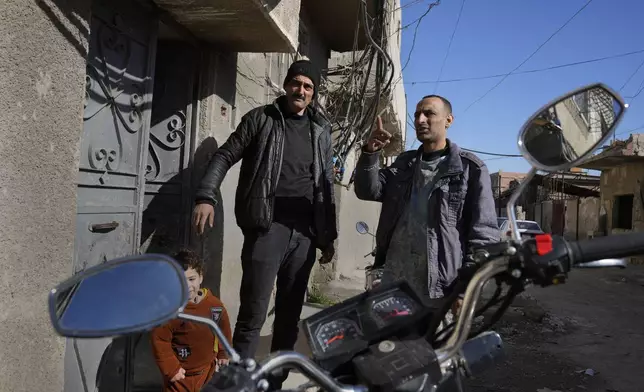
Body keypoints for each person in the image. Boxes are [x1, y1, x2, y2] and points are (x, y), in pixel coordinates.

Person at [192, 59, 338, 388]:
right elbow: (225, 154)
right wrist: (205, 195)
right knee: (252, 316)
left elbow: (326, 183)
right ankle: (241, 383)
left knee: (288, 320)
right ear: (286, 85)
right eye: (296, 83)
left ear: (313, 94)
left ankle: (274, 383)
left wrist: (327, 236)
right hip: (266, 229)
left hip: (304, 236)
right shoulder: (261, 119)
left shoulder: (321, 130)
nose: (301, 90)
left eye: (308, 86)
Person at [354, 94, 500, 319]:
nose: (420, 120)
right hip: (393, 286)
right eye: (417, 115)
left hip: (439, 291)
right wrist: (371, 152)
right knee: (389, 351)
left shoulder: (470, 169)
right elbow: (368, 191)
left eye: (429, 113)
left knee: (432, 352)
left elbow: (484, 237)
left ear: (448, 120)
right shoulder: (405, 164)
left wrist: (464, 290)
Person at [150, 248, 233, 392]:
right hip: (180, 376)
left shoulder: (214, 306)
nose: (187, 286)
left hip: (207, 372)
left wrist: (223, 353)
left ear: (200, 277)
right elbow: (160, 340)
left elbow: (223, 330)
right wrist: (171, 368)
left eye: (191, 279)